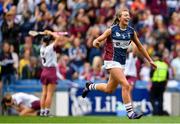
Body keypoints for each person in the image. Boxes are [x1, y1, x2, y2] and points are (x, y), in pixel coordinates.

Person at [82, 7, 157, 119]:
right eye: (125, 15)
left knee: (109, 89)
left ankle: (90, 86)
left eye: (128, 15)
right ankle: (131, 113)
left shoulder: (131, 31)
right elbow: (97, 40)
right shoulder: (111, 30)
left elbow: (140, 47)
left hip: (121, 64)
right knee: (126, 85)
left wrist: (150, 60)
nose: (128, 17)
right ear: (119, 18)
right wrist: (96, 42)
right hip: (111, 61)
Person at [39, 30, 67, 117]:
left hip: (44, 71)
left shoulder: (42, 48)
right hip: (51, 71)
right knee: (50, 93)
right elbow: (58, 38)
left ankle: (42, 111)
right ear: (50, 41)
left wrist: (48, 34)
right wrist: (50, 32)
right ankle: (47, 112)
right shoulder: (50, 47)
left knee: (44, 93)